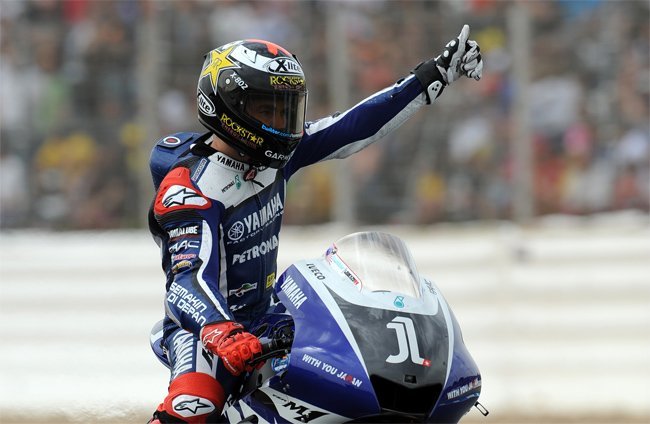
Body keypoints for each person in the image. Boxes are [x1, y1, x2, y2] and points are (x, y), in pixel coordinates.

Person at [147, 26, 483, 423]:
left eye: (287, 109)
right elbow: (187, 281)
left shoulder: (275, 157)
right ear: (228, 106)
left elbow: (355, 126)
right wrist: (223, 332)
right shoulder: (190, 189)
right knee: (195, 404)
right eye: (267, 110)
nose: (282, 123)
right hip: (207, 329)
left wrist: (432, 76)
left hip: (267, 317)